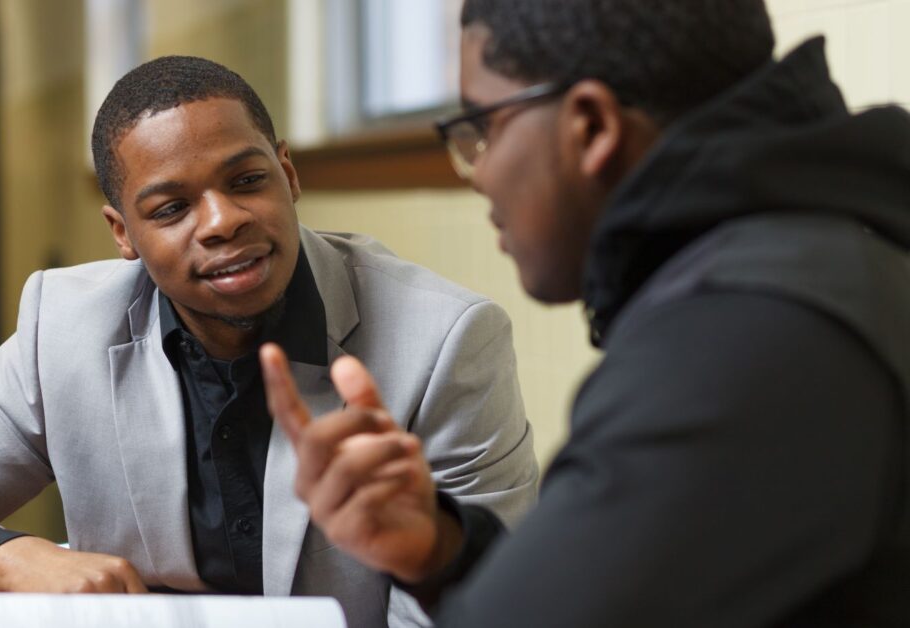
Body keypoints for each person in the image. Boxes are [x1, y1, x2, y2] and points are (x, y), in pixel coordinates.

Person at [0, 55, 538, 628]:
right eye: (171, 207)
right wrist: (7, 557)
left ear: (288, 175)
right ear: (122, 232)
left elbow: (499, 599)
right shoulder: (64, 328)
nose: (222, 221)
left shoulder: (445, 340)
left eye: (247, 179)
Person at [260, 1, 910, 626]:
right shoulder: (816, 251)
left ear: (592, 126)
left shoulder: (748, 333)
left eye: (484, 127)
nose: (477, 173)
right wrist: (442, 552)